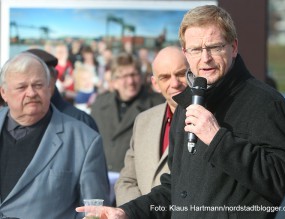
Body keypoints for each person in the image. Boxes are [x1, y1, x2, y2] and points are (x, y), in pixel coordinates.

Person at [76, 5, 285, 219]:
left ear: (234, 47)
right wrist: (128, 212)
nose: (205, 58)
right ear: (186, 52)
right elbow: (176, 189)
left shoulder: (267, 103)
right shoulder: (188, 105)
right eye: (195, 49)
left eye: (214, 47)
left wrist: (218, 139)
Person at [0, 52, 109, 218]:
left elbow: (95, 212)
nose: (31, 93)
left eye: (38, 85)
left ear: (49, 87)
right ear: (3, 93)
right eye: (21, 87)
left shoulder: (84, 140)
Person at [114, 46, 188, 206]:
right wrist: (138, 213)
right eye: (165, 77)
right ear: (155, 83)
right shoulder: (143, 121)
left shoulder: (206, 120)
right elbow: (126, 181)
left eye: (181, 74)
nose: (174, 83)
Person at [90, 52, 164, 173]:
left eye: (134, 74)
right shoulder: (100, 103)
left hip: (136, 180)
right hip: (102, 175)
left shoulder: (157, 104)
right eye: (124, 76)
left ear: (141, 77)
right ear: (114, 81)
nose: (130, 81)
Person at [26, 48, 99, 132]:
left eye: (38, 83)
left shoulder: (80, 120)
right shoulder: (12, 116)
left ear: (54, 77)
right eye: (22, 85)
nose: (31, 92)